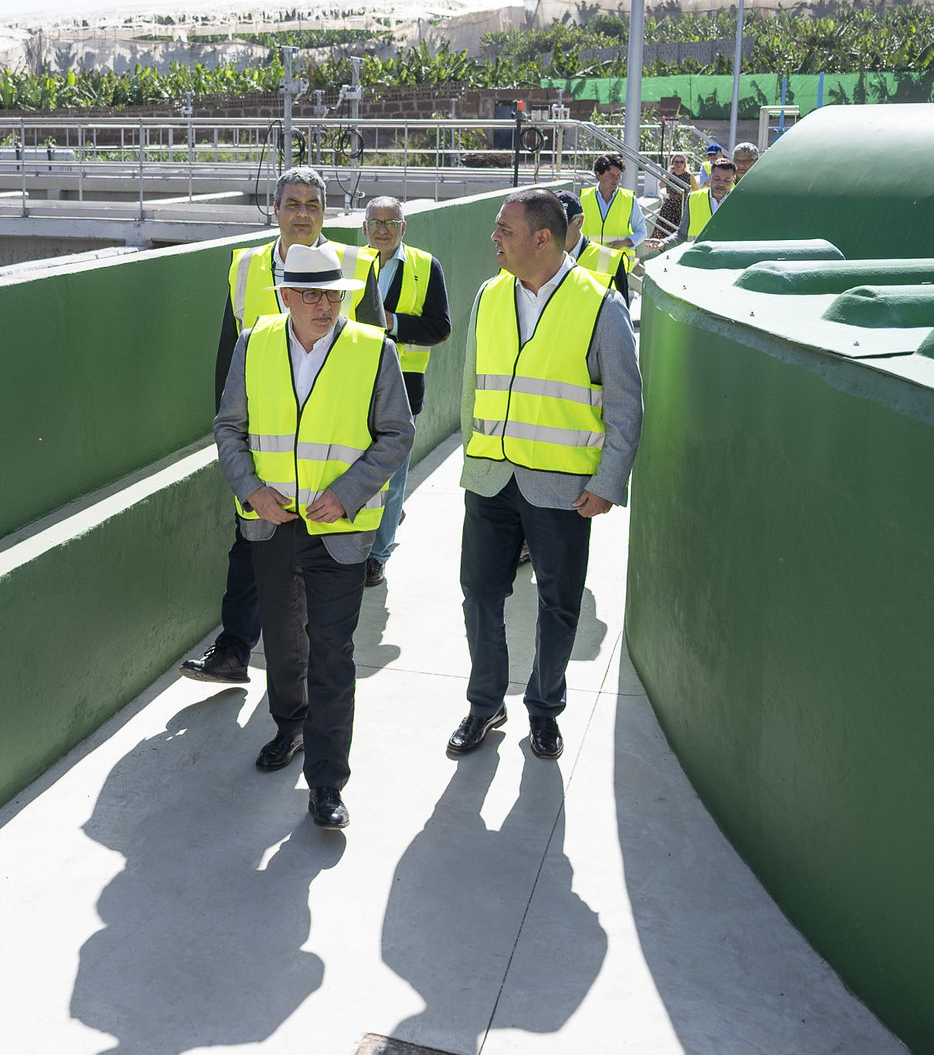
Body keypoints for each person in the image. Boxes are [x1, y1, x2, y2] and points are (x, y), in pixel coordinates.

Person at [215, 244, 413, 829]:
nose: (324, 305)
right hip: (270, 523)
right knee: (280, 640)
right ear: (284, 297)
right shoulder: (254, 344)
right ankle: (289, 726)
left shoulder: (373, 349)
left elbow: (396, 435)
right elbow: (230, 427)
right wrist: (251, 489)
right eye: (311, 295)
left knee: (332, 651)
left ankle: (327, 783)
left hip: (341, 530)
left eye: (332, 294)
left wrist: (347, 493)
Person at [448, 189, 642, 763]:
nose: (495, 238)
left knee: (558, 603)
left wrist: (608, 482)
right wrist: (472, 454)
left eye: (504, 229)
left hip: (562, 488)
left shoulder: (600, 306)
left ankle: (544, 709)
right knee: (480, 593)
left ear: (543, 239)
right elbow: (471, 384)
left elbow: (626, 405)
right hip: (490, 478)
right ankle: (486, 704)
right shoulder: (489, 296)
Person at [184, 167, 380, 686]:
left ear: (324, 212)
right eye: (292, 203)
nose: (302, 213)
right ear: (275, 210)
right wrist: (236, 448)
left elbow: (376, 355)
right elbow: (229, 358)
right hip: (264, 449)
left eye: (313, 205)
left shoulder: (354, 265)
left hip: (330, 454)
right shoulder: (246, 267)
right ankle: (234, 649)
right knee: (249, 548)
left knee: (317, 567)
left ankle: (306, 672)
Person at [350, 196, 451, 589]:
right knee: (356, 465)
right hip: (355, 382)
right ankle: (356, 543)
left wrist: (390, 321)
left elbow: (440, 328)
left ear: (403, 228)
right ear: (364, 228)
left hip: (403, 385)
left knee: (392, 476)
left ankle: (377, 555)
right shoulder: (351, 262)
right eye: (375, 221)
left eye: (391, 222)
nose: (382, 229)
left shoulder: (426, 266)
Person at [576, 153, 646, 290]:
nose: (616, 180)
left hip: (618, 266)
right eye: (611, 175)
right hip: (589, 265)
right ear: (598, 175)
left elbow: (642, 231)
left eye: (618, 175)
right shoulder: (583, 197)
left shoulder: (629, 199)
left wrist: (623, 243)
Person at [680, 158, 737, 242]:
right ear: (710, 177)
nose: (721, 184)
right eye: (716, 179)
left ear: (733, 180)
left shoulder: (740, 201)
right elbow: (681, 235)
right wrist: (664, 243)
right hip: (699, 254)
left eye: (727, 180)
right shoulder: (693, 198)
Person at [653, 153, 695, 241]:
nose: (679, 164)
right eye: (676, 162)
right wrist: (669, 173)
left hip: (682, 204)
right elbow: (661, 185)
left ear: (685, 164)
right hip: (670, 204)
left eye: (681, 162)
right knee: (664, 227)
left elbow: (696, 191)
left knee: (680, 228)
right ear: (673, 163)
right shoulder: (670, 175)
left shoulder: (689, 176)